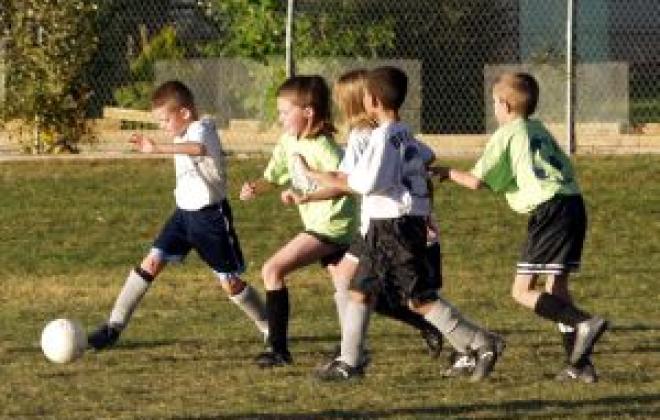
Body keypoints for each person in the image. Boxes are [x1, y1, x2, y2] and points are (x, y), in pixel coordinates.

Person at [300, 66, 504, 382]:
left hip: (394, 226)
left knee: (418, 299)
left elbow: (367, 184)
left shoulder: (382, 137)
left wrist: (320, 176)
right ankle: (349, 363)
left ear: (372, 100)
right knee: (359, 290)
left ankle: (481, 341)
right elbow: (420, 159)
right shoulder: (403, 133)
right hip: (385, 226)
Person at [431, 72, 608, 383]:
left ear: (505, 105)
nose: (494, 110)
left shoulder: (507, 133)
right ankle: (579, 365)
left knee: (522, 291)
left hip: (548, 209)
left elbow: (476, 181)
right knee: (557, 288)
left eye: (494, 104)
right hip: (572, 203)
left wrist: (443, 172)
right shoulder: (538, 130)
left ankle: (583, 322)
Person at [87, 80, 268, 349]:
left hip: (210, 218)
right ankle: (113, 327)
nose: (163, 126)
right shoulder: (181, 132)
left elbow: (198, 149)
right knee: (151, 262)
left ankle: (269, 327)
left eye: (165, 119)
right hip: (183, 216)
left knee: (229, 283)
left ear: (184, 113)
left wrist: (156, 148)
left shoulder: (202, 128)